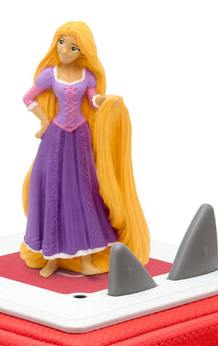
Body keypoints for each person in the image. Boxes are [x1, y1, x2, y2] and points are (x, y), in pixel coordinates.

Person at [21, 21, 150, 277]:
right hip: (56, 137)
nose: (64, 50)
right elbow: (28, 97)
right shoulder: (49, 74)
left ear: (83, 51)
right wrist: (44, 121)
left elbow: (93, 101)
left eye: (73, 47)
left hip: (79, 137)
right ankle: (52, 258)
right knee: (52, 190)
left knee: (83, 192)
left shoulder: (87, 76)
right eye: (62, 43)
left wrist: (107, 101)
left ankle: (86, 259)